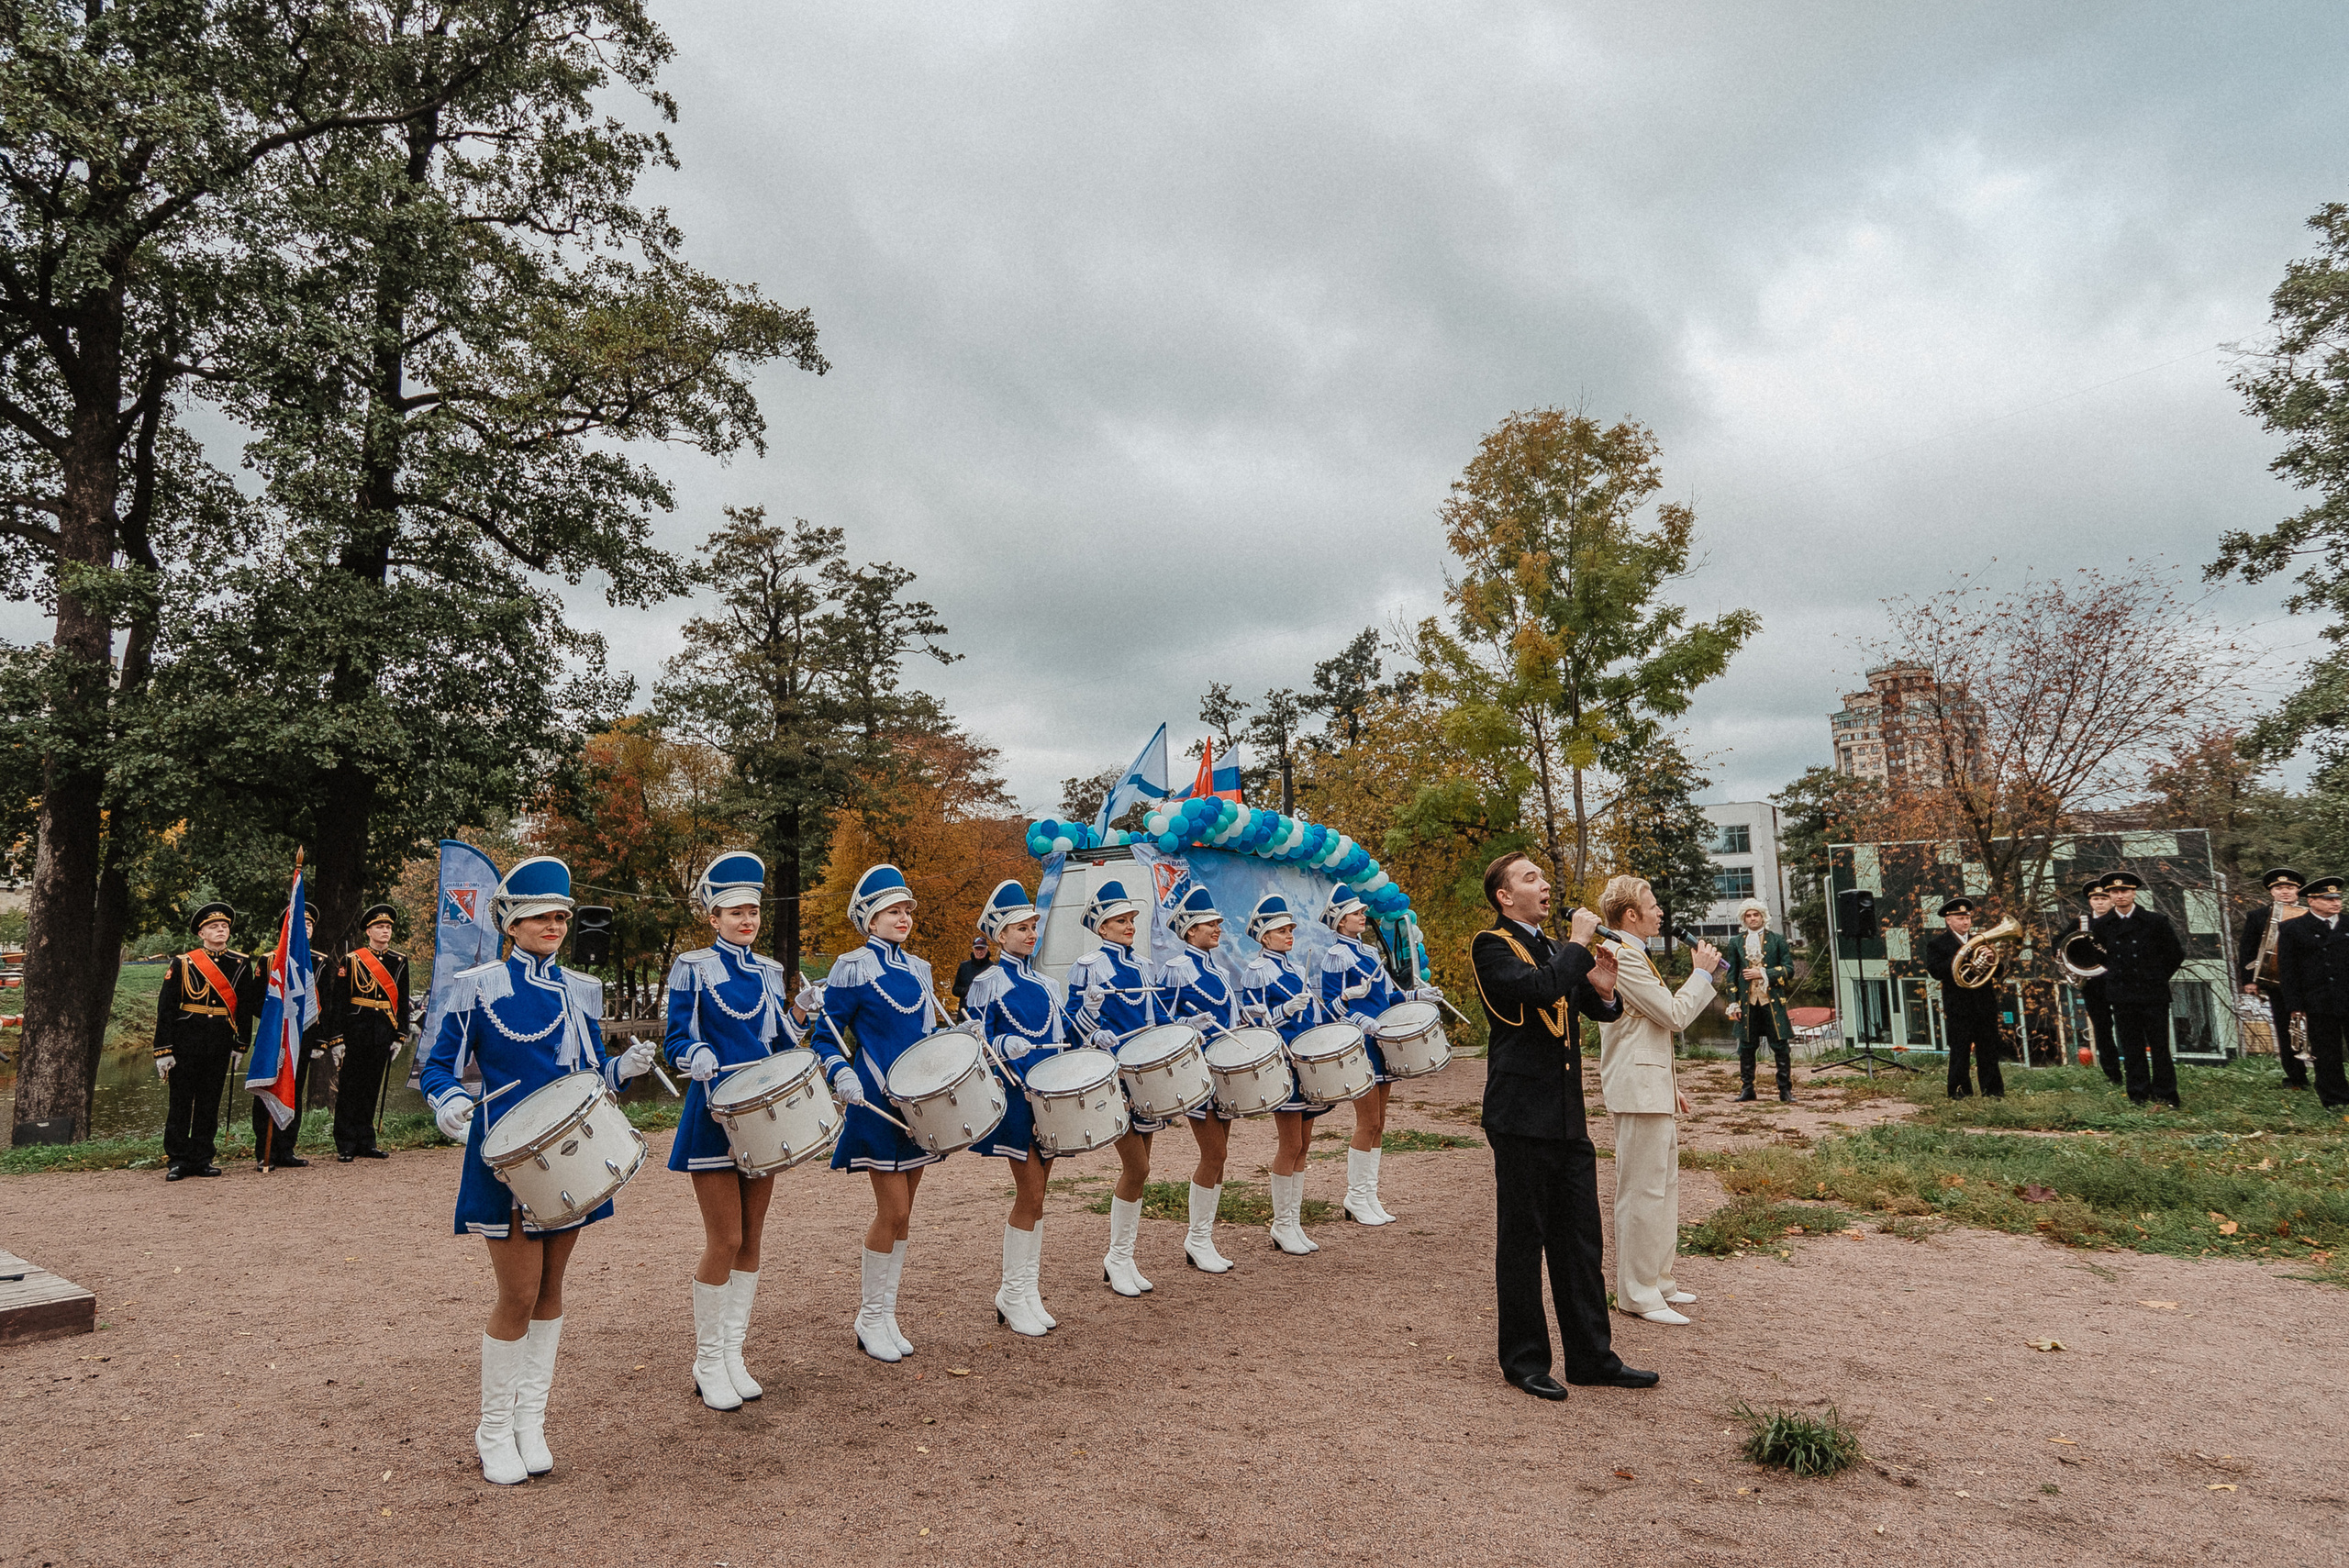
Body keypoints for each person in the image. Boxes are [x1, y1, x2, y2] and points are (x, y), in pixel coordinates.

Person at [419, 855, 662, 1485]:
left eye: (559, 915)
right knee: (518, 1293)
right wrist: (446, 1099)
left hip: (569, 1158)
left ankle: (532, 1423)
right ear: (510, 922)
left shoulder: (580, 988)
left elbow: (583, 1078)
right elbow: (440, 1066)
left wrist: (623, 1070)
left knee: (553, 1290)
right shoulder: (476, 985)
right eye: (537, 916)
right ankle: (493, 1429)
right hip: (504, 1160)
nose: (552, 924)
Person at [1471, 851, 1654, 1402]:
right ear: (1505, 896)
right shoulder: (1492, 945)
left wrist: (1601, 986)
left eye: (1543, 876)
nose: (1545, 884)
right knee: (1523, 1242)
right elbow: (1534, 992)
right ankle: (1524, 1360)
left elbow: (1592, 1008)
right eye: (1530, 878)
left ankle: (1592, 1356)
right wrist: (1576, 947)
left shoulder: (1555, 949)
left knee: (1580, 1241)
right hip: (1521, 1116)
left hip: (1566, 1117)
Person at [663, 852, 820, 1408]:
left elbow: (780, 1045)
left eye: (752, 910)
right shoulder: (692, 966)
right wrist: (695, 1051)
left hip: (761, 1117)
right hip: (712, 1116)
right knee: (724, 1238)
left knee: (753, 1238)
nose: (746, 919)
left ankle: (733, 1352)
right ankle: (707, 1362)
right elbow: (675, 1040)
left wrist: (801, 1015)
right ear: (713, 917)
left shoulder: (769, 972)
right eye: (734, 911)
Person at [807, 864, 951, 1362]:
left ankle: (887, 1313)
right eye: (893, 911)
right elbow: (825, 1033)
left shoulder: (919, 970)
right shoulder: (851, 966)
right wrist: (837, 1073)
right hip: (875, 1099)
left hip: (920, 1104)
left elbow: (927, 1039)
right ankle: (868, 1317)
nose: (903, 918)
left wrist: (958, 1046)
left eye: (907, 910)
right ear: (870, 919)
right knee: (893, 1210)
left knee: (906, 1215)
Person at [1597, 873, 1725, 1328]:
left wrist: (1670, 1083)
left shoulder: (1636, 955)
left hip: (1651, 1087)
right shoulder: (1621, 956)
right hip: (1635, 1090)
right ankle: (1636, 1293)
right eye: (1653, 907)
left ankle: (1659, 1280)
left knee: (1664, 1189)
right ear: (1631, 915)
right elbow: (1673, 1016)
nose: (1661, 914)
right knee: (1640, 1192)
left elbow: (1643, 1029)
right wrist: (1702, 974)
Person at [965, 879, 1068, 1337]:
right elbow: (971, 1041)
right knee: (1031, 1195)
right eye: (1020, 928)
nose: (1030, 934)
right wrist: (1000, 1042)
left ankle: (1026, 1291)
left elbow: (1068, 1036)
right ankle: (1011, 1291)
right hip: (1015, 1099)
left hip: (1049, 1097)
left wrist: (1092, 1025)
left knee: (1040, 1197)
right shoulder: (988, 982)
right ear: (999, 936)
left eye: (1033, 926)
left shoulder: (1045, 983)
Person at [1319, 883, 1443, 1225]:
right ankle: (1355, 1196)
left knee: (1380, 1123)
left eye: (1361, 912)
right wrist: (1361, 1018)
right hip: (1361, 1044)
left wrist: (1419, 996)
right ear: (1341, 921)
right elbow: (1331, 1008)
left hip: (1381, 1042)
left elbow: (1391, 997)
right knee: (1368, 1121)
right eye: (1357, 913)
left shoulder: (1371, 954)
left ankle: (1368, 1193)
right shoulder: (1335, 957)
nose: (1363, 916)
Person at [1068, 878, 1166, 1296]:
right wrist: (1095, 1030)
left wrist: (1178, 1031)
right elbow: (1073, 1023)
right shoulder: (1087, 965)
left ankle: (1123, 1256)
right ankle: (1116, 1256)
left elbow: (1155, 1018)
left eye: (1130, 919)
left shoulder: (1144, 966)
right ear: (1101, 928)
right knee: (1137, 1167)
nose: (1128, 926)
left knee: (1141, 1168)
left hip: (1144, 1074)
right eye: (1119, 921)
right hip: (1113, 1077)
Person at [1238, 894, 1331, 1255]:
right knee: (1290, 1143)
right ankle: (1280, 1224)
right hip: (1283, 1062)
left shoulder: (1291, 968)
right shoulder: (1258, 969)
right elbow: (1254, 1020)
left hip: (1306, 1060)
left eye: (1291, 928)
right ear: (1264, 937)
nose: (1289, 934)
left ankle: (1293, 1222)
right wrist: (1284, 1011)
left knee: (1305, 1144)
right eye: (1281, 930)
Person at [1158, 884, 1242, 1275]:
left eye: (1219, 923)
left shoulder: (1220, 971)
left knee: (1221, 1156)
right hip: (1196, 1072)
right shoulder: (1176, 969)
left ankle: (1204, 1237)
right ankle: (1196, 1238)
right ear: (1190, 930)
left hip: (1223, 1070)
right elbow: (1161, 1023)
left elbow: (1231, 1019)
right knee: (1215, 1154)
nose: (1217, 928)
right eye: (1210, 923)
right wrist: (1186, 1025)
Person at [153, 902, 261, 1181]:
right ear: (201, 933)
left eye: (224, 926)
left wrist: (241, 1043)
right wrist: (163, 1050)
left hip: (219, 1041)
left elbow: (245, 1006)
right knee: (180, 1102)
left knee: (209, 1102)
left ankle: (202, 1157)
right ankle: (177, 1159)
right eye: (214, 927)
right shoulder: (183, 962)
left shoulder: (239, 962)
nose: (220, 930)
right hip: (186, 1040)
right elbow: (166, 1008)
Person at [322, 904, 416, 1162]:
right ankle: (345, 1143)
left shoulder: (399, 961)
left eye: (388, 927)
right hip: (356, 1030)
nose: (385, 931)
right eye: (379, 927)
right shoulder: (352, 960)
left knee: (371, 1088)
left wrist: (400, 1035)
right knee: (350, 1088)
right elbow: (339, 1002)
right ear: (368, 931)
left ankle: (366, 1141)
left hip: (382, 1031)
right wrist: (337, 1038)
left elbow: (403, 1000)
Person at [2091, 871, 2187, 1108]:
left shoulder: (2155, 921)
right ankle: (2138, 1094)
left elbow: (2175, 954)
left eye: (2124, 891)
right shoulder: (2102, 925)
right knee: (2131, 1047)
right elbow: (2099, 957)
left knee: (2160, 1046)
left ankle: (2166, 1094)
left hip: (2153, 993)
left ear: (2134, 893)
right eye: (2114, 892)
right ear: (2110, 896)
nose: (2119, 895)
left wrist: (2156, 976)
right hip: (2122, 995)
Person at [250, 902, 327, 1170]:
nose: (305, 928)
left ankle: (287, 1148)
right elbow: (256, 1001)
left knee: (295, 1089)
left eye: (309, 924)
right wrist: (277, 1019)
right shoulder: (270, 960)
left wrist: (320, 1040)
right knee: (269, 1087)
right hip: (274, 1036)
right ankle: (265, 1151)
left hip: (303, 1036)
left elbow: (323, 1005)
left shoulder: (319, 961)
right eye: (299, 923)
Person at [2277, 873, 2349, 1108]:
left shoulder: (2347, 923)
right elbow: (2288, 971)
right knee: (2327, 1054)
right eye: (2328, 899)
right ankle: (2335, 1099)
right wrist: (2295, 1006)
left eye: (2337, 898)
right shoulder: (2292, 928)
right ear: (2312, 901)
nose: (2336, 903)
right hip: (2318, 1000)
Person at [2238, 867, 2310, 1090]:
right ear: (2271, 892)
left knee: (2317, 1027)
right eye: (2279, 888)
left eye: (2290, 887)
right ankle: (2297, 1078)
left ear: (2298, 890)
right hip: (2277, 980)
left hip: (2310, 981)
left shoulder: (2310, 913)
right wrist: (2249, 980)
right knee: (2285, 1028)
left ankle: (2328, 1075)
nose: (2285, 891)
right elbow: (2247, 949)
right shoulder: (2257, 916)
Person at [1925, 897, 2004, 1100]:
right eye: (1960, 918)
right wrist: (1962, 958)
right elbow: (1935, 971)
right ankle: (1960, 1093)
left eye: (1967, 918)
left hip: (1984, 1004)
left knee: (1988, 1051)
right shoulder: (1937, 944)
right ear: (1948, 920)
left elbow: (1999, 971)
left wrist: (1988, 959)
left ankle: (1993, 1092)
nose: (1965, 922)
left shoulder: (1981, 941)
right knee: (1960, 1051)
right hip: (1958, 1006)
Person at [1723, 899, 1795, 1103]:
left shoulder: (1777, 940)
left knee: (1780, 1045)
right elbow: (1732, 974)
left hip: (1771, 1001)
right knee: (1746, 1046)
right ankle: (1748, 1089)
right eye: (1748, 915)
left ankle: (1785, 1090)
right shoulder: (1736, 942)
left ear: (1763, 917)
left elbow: (1789, 970)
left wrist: (1762, 973)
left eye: (1756, 915)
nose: (1753, 918)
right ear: (1744, 919)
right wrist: (1733, 1003)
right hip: (1747, 1003)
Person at [2076, 881, 2121, 1085]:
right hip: (2093, 984)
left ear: (2111, 900)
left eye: (2104, 898)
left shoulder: (2119, 921)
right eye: (2096, 899)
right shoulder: (2081, 922)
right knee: (2102, 1030)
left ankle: (2134, 1070)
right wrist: (2059, 950)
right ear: (2090, 901)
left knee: (2125, 1028)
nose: (2100, 903)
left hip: (2118, 981)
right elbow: (2060, 940)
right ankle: (2112, 1074)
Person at [951, 934, 991, 1019]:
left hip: (986, 1015)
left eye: (982, 948)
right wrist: (970, 991)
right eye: (977, 948)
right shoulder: (964, 966)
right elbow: (955, 990)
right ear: (973, 949)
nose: (979, 951)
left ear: (986, 949)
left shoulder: (994, 968)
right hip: (966, 1014)